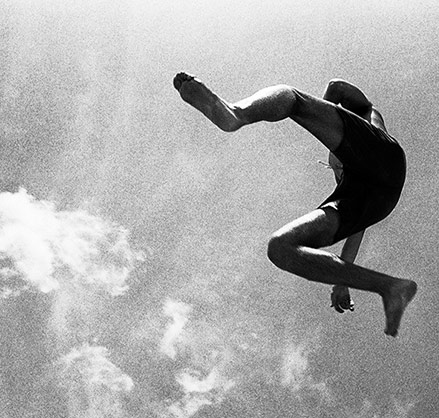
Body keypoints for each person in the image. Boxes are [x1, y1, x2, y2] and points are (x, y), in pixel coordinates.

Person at [173, 72, 417, 336]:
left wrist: (315, 113)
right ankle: (390, 288)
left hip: (383, 159)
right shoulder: (348, 169)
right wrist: (341, 283)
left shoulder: (367, 113)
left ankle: (237, 113)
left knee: (293, 99)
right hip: (376, 198)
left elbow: (337, 87)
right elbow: (358, 228)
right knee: (281, 248)